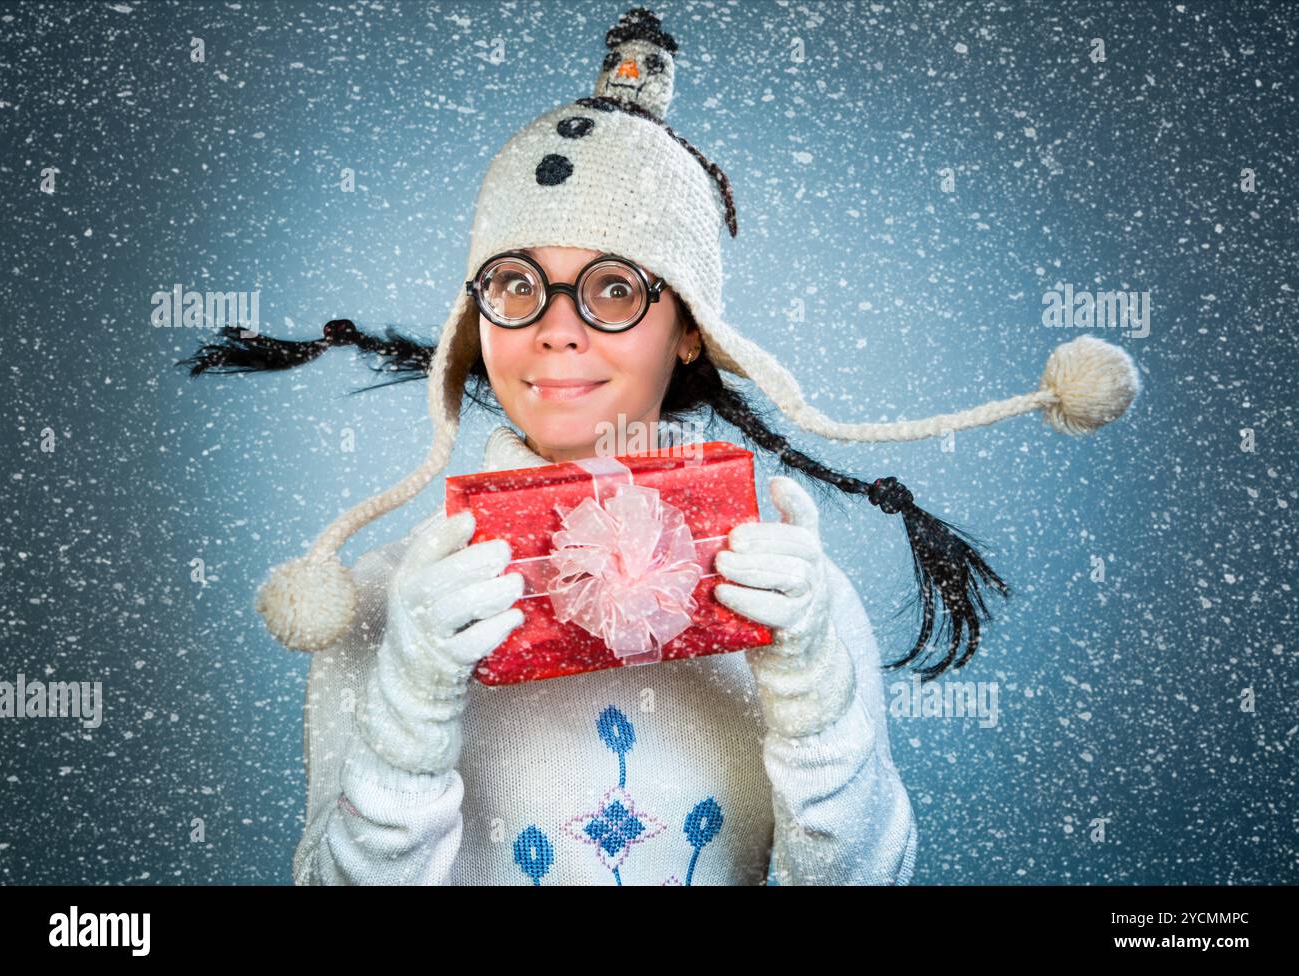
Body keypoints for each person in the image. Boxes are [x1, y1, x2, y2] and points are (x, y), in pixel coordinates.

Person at [179, 7, 1140, 885]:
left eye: (613, 288)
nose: (556, 330)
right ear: (478, 318)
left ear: (689, 328)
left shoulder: (790, 591)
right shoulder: (390, 602)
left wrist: (811, 685)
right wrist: (412, 704)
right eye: (516, 284)